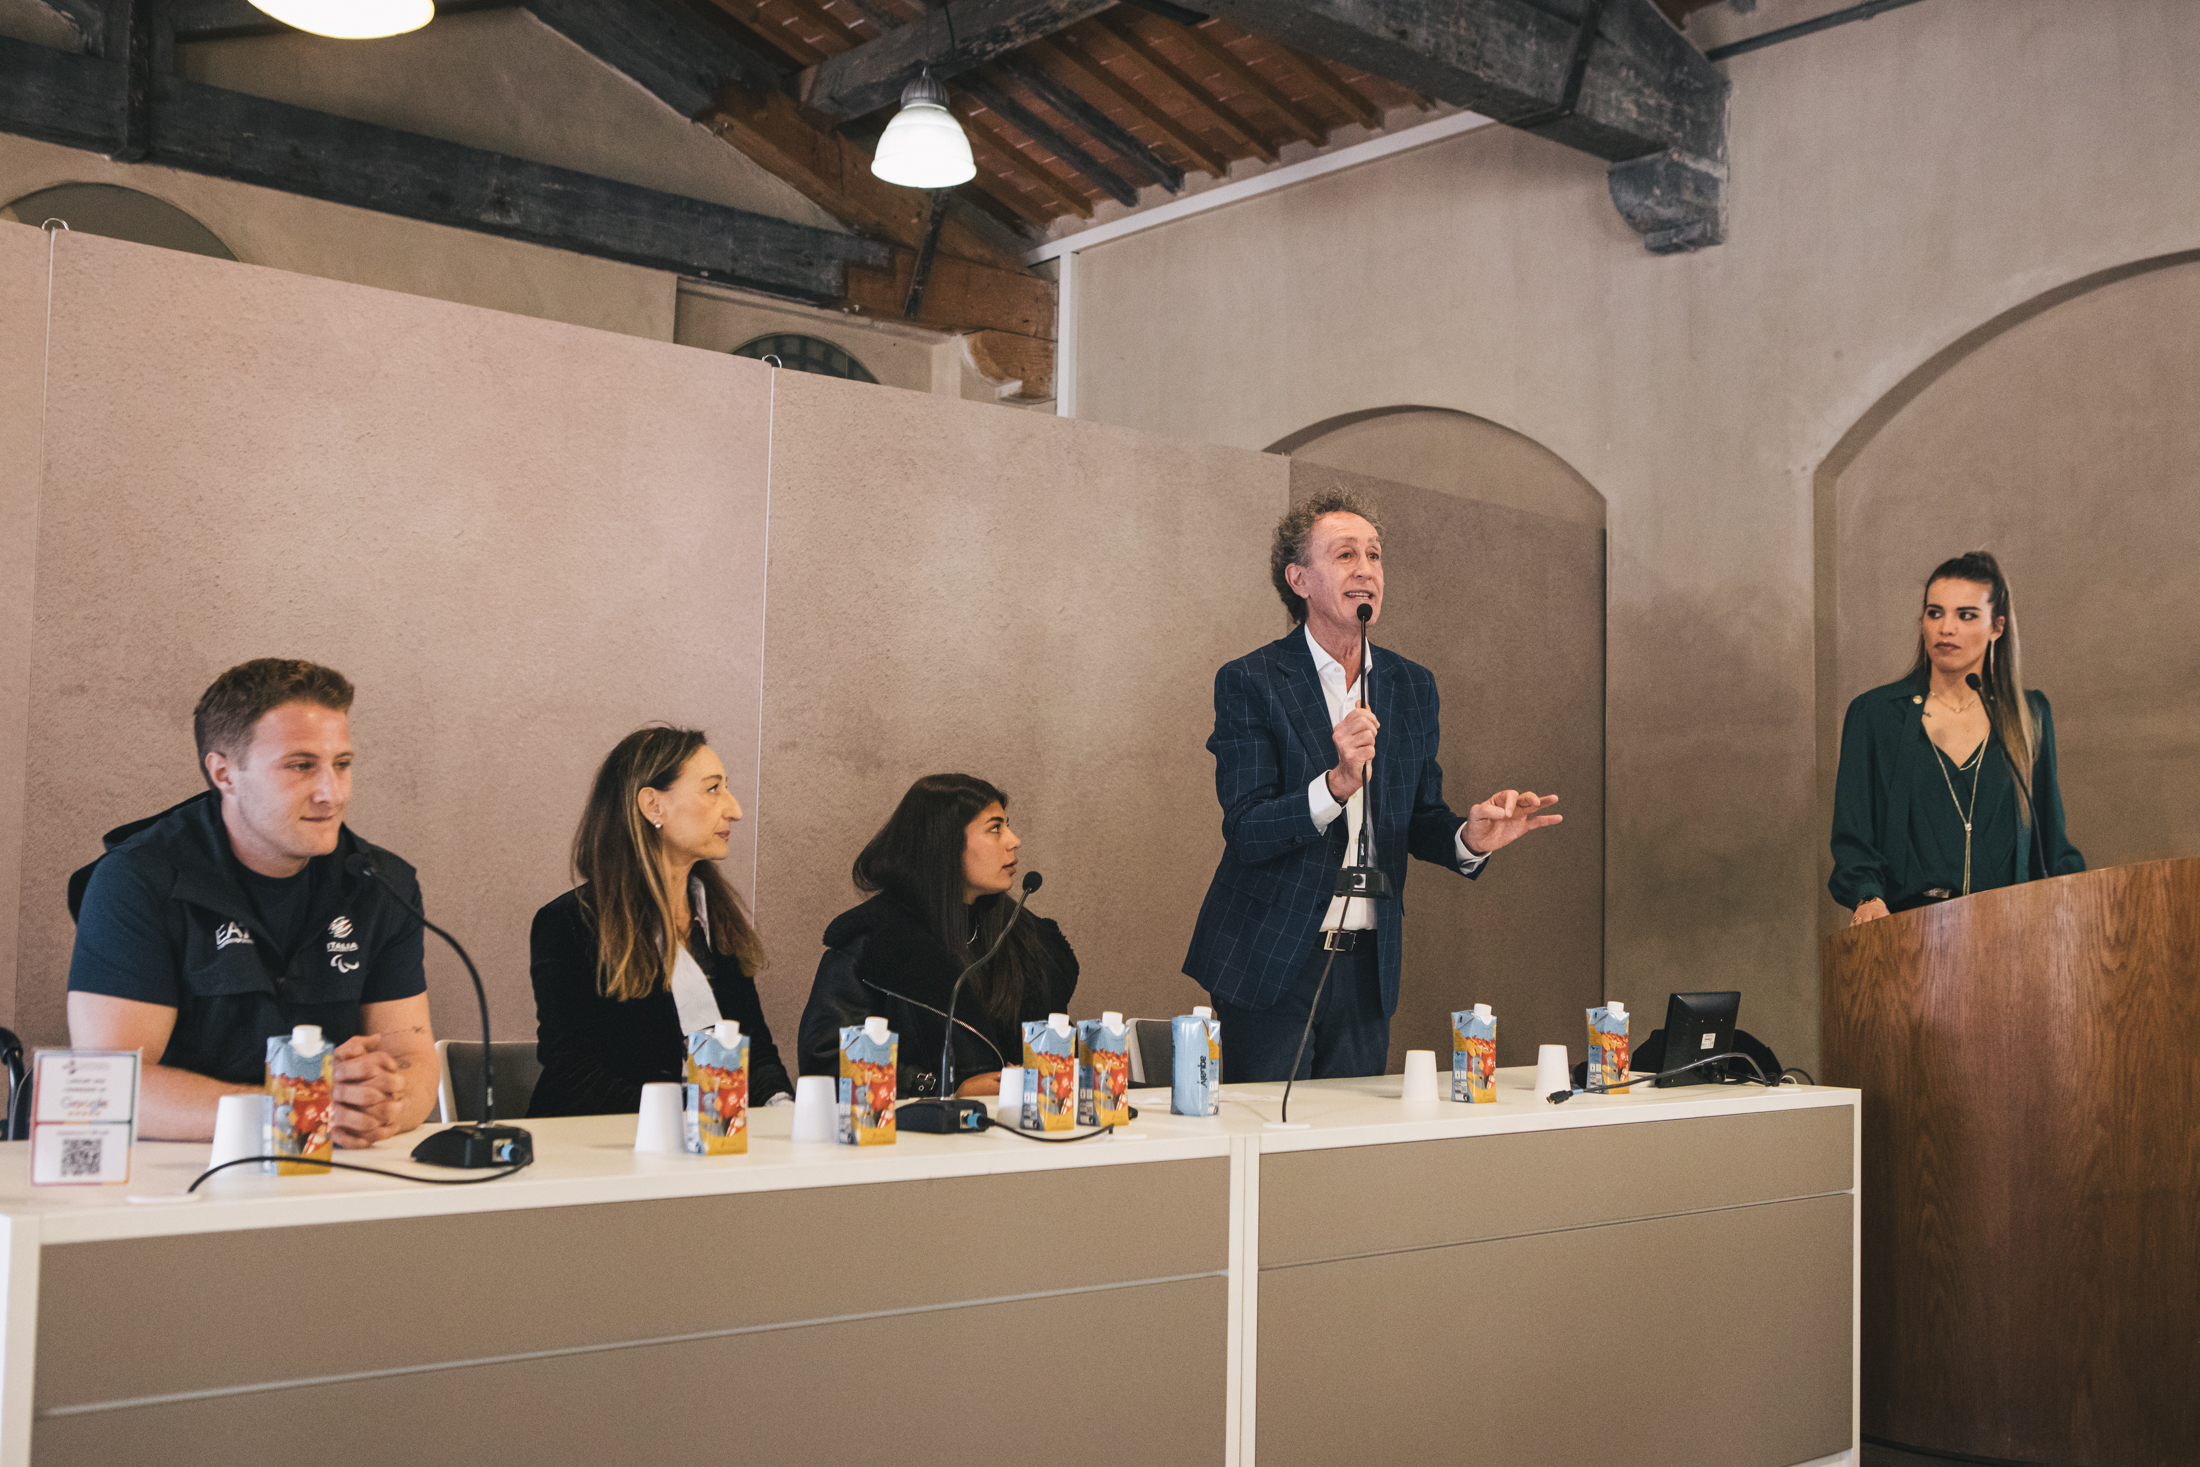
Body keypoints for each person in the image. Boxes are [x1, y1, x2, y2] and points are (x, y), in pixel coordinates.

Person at [1183, 489, 1563, 1082]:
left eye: (1375, 555)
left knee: (1353, 1133)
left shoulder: (1411, 685)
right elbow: (1248, 828)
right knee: (1271, 1132)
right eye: (1345, 555)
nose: (1366, 570)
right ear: (1299, 579)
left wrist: (1469, 837)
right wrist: (1336, 784)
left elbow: (1419, 817)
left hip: (1368, 964)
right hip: (1271, 956)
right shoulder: (1252, 680)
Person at [66, 659, 437, 1144]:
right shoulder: (138, 880)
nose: (332, 793)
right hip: (176, 1170)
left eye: (342, 764)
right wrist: (297, 1111)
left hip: (332, 1164)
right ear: (224, 773)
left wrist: (385, 1102)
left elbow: (412, 1053)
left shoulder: (380, 882)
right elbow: (112, 1086)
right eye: (301, 766)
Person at [528, 726, 791, 1115]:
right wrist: (694, 1114)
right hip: (605, 1141)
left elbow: (755, 1051)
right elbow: (575, 1075)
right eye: (713, 789)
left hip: (711, 1135)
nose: (734, 809)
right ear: (653, 805)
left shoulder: (718, 916)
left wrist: (783, 1109)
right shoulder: (568, 923)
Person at [1832, 550, 2083, 923]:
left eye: (1966, 615)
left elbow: (2052, 845)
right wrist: (1867, 896)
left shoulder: (2029, 715)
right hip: (1908, 930)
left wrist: (2081, 901)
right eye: (1935, 613)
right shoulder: (1876, 714)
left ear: (1997, 626)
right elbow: (1853, 838)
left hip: (2008, 929)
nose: (1946, 628)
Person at [798, 774, 1078, 1100]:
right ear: (944, 841)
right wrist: (941, 1088)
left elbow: (1055, 1039)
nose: (1014, 841)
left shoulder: (1024, 935)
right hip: (916, 1128)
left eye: (1008, 827)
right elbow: (828, 1060)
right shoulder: (873, 941)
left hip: (1024, 1124)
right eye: (995, 828)